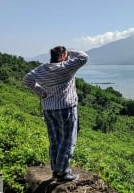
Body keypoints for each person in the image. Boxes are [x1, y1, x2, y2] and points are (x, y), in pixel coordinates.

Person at [23, 46, 88, 183]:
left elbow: (27, 79)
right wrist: (70, 52)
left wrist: (41, 92)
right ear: (63, 56)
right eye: (66, 55)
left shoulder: (42, 68)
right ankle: (62, 173)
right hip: (66, 108)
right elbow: (83, 57)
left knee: (55, 140)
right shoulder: (66, 67)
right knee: (67, 140)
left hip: (48, 109)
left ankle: (55, 170)